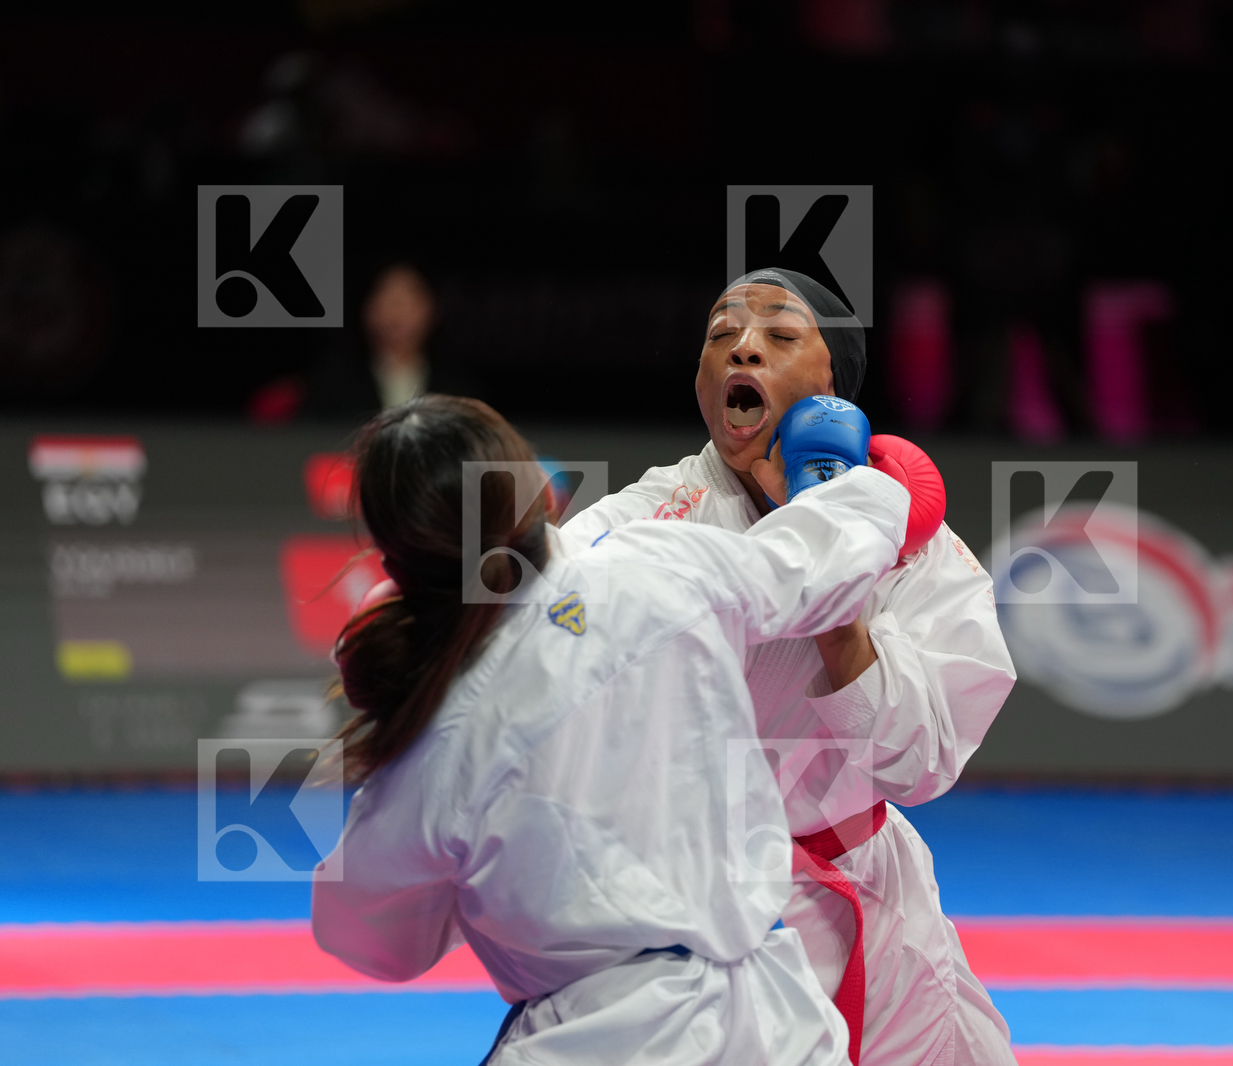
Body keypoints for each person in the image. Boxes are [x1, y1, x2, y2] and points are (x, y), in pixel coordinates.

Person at [311, 394, 910, 1065]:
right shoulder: (658, 565)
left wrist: (481, 875)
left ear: (395, 567)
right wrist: (851, 481)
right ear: (537, 491)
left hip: (592, 1041)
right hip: (778, 1033)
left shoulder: (440, 739)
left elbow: (371, 941)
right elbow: (818, 563)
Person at [561, 269, 1019, 1065]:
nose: (743, 345)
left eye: (779, 335)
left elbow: (923, 763)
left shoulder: (911, 539)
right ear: (704, 383)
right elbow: (550, 623)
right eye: (720, 336)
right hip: (686, 912)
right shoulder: (649, 518)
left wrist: (838, 603)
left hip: (872, 908)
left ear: (830, 381)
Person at [301, 262, 478, 418]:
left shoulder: (459, 389)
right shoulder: (333, 382)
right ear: (366, 310)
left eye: (408, 301)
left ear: (433, 310)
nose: (396, 313)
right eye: (386, 299)